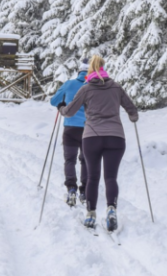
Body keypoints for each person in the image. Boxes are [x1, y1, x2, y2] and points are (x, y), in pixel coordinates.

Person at [58, 54, 138, 233]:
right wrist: (133, 117)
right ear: (104, 68)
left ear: (90, 70)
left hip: (92, 137)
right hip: (116, 137)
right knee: (111, 178)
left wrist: (61, 108)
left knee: (93, 177)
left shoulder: (86, 89)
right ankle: (111, 209)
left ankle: (91, 214)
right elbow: (132, 110)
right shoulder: (116, 87)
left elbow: (70, 111)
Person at [49, 58, 89, 207]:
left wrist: (62, 104)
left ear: (79, 71)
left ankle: (71, 189)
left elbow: (53, 101)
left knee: (70, 160)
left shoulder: (69, 84)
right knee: (86, 160)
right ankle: (84, 191)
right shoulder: (93, 86)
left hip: (70, 128)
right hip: (88, 129)